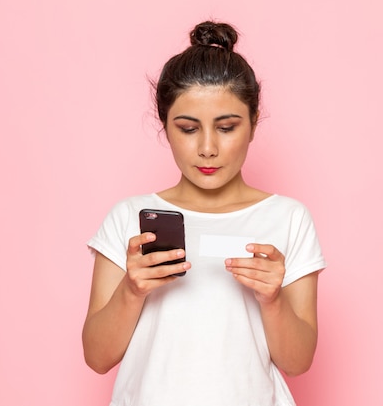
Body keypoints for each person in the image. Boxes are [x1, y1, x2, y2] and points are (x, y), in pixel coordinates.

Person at [82, 21, 326, 406]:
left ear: (253, 123)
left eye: (227, 127)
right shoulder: (128, 217)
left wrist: (272, 300)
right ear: (164, 125)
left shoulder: (288, 218)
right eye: (188, 128)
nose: (208, 148)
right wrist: (132, 290)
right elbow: (97, 358)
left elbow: (297, 363)